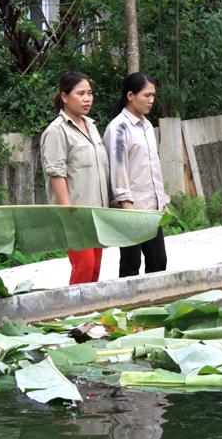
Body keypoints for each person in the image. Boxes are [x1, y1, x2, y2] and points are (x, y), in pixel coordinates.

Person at [40, 71, 110, 285]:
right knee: (84, 266)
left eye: (89, 93)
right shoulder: (56, 131)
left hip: (97, 213)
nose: (87, 98)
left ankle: (88, 314)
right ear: (64, 96)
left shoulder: (91, 126)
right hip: (75, 214)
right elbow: (56, 173)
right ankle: (72, 314)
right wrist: (67, 212)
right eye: (80, 93)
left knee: (95, 267)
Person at [102, 72, 170, 277]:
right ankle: (128, 307)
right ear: (130, 96)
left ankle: (155, 305)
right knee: (131, 263)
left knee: (158, 262)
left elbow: (151, 166)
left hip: (151, 209)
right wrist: (126, 205)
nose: (151, 100)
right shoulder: (118, 128)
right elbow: (118, 168)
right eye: (146, 95)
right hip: (131, 209)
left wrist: (162, 200)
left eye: (153, 96)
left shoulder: (147, 125)